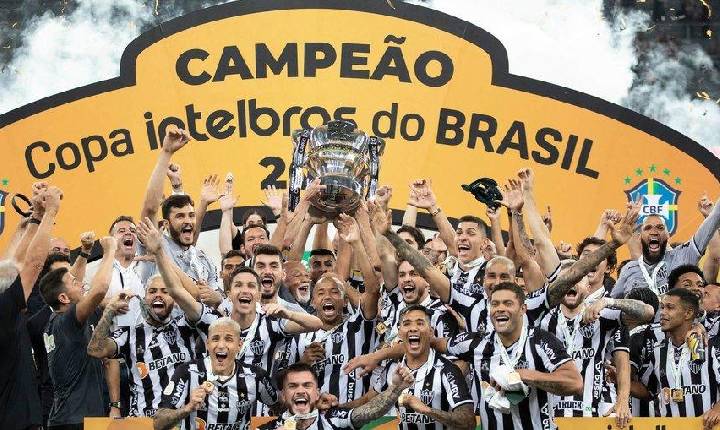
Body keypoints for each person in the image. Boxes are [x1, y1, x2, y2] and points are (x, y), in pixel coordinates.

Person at [442, 283, 583, 430]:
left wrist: (525, 375)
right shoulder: (477, 343)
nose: (500, 308)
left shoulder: (541, 340)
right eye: (494, 304)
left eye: (508, 303)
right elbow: (435, 343)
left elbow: (575, 383)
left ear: (523, 309)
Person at [538, 260, 653, 423]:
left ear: (588, 286)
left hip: (595, 415)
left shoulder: (603, 315)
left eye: (577, 279)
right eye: (565, 280)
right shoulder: (541, 321)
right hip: (551, 416)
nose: (571, 284)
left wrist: (609, 301)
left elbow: (647, 312)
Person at [290, 213, 381, 404]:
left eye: (334, 292)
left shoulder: (358, 326)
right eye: (321, 293)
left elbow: (372, 290)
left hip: (357, 419)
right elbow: (282, 385)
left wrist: (356, 243)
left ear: (345, 301)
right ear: (313, 302)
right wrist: (303, 363)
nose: (328, 296)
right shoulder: (300, 336)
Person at [86, 274, 201, 418]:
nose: (158, 295)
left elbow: (196, 298)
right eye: (152, 291)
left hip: (184, 419)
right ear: (144, 299)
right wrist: (109, 311)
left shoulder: (186, 326)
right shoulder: (130, 334)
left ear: (175, 299)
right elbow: (95, 350)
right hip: (145, 421)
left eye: (165, 292)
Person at [0, 184, 62, 430]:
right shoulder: (3, 310)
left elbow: (12, 263)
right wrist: (50, 214)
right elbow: (32, 265)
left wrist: (35, 218)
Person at [41, 235, 117, 429]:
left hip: (74, 418)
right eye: (75, 282)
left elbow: (70, 281)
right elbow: (99, 289)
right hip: (76, 421)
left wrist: (84, 252)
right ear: (64, 298)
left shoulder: (56, 321)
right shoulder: (67, 321)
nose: (81, 283)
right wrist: (109, 251)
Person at [153, 317, 279, 430]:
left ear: (239, 345)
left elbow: (278, 405)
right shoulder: (187, 372)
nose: (221, 345)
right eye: (215, 339)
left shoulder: (256, 376)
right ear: (207, 344)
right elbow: (158, 424)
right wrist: (187, 408)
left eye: (229, 339)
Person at [139, 128, 221, 291]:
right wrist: (166, 153)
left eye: (191, 215)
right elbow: (150, 209)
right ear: (165, 225)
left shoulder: (201, 258)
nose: (188, 220)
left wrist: (215, 298)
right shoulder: (158, 246)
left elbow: (216, 301)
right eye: (180, 217)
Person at [375, 305, 476, 430]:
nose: (413, 328)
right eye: (407, 324)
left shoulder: (448, 370)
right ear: (400, 333)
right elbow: (370, 405)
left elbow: (469, 422)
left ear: (431, 332)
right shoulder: (392, 370)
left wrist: (427, 410)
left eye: (420, 323)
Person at [630, 289, 720, 418]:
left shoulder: (709, 347)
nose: (662, 313)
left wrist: (718, 409)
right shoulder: (657, 351)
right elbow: (648, 391)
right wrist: (617, 379)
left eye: (670, 308)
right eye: (662, 307)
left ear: (688, 313)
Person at [613, 194, 720, 298]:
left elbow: (714, 218)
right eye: (648, 228)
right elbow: (611, 305)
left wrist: (710, 214)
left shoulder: (683, 256)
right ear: (640, 236)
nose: (654, 231)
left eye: (660, 228)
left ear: (668, 235)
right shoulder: (629, 269)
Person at [259, 362, 414, 430]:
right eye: (292, 386)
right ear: (284, 395)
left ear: (317, 393)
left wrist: (395, 388)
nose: (300, 390)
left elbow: (371, 411)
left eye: (307, 385)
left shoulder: (333, 419)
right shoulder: (267, 428)